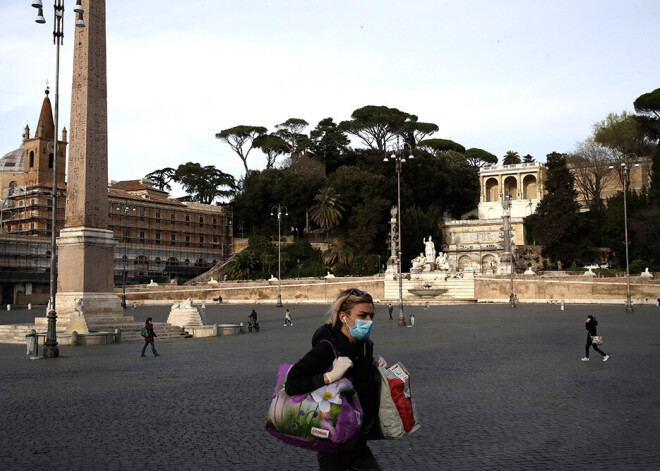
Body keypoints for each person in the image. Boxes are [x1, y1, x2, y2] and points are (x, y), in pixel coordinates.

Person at [285, 288, 386, 471]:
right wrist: (330, 376)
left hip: (357, 434)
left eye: (372, 316)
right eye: (363, 315)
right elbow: (292, 383)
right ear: (343, 317)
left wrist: (373, 368)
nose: (369, 322)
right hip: (333, 437)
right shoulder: (327, 348)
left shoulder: (364, 346)